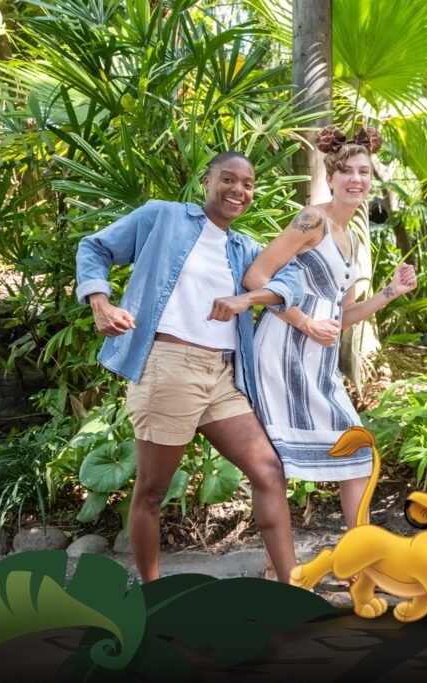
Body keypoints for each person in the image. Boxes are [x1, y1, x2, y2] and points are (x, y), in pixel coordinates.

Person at [75, 152, 302, 584]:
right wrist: (100, 303)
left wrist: (247, 298)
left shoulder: (243, 248)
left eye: (248, 184)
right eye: (228, 179)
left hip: (222, 376)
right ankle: (154, 597)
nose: (238, 190)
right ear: (206, 181)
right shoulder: (163, 217)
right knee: (152, 491)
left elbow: (291, 281)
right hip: (169, 369)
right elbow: (95, 247)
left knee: (269, 472)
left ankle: (292, 588)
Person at [207, 125, 417, 533]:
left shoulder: (352, 240)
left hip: (318, 360)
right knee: (285, 459)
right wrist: (305, 323)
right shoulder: (312, 219)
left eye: (364, 172)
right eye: (347, 171)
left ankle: (359, 553)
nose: (356, 179)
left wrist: (391, 292)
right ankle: (295, 559)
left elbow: (343, 316)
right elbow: (255, 277)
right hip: (283, 348)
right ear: (331, 177)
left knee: (357, 455)